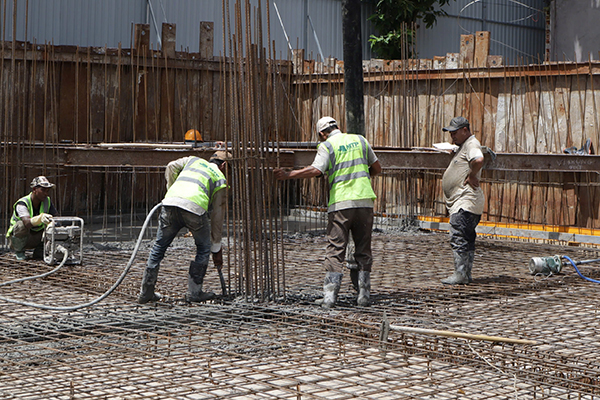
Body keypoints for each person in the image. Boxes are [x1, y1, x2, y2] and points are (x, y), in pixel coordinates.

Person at [274, 116, 382, 308]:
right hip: (365, 201)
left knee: (336, 249)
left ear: (322, 134)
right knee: (363, 248)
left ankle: (330, 297)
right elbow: (377, 168)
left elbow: (316, 170)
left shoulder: (327, 146)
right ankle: (364, 294)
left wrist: (288, 175)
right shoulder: (360, 140)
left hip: (341, 203)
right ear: (338, 127)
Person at [138, 150, 232, 304]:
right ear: (224, 165)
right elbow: (217, 217)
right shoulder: (220, 179)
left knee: (158, 247)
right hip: (194, 209)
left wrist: (172, 189)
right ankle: (194, 293)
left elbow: (170, 166)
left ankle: (146, 292)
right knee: (203, 248)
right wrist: (216, 247)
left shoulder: (193, 160)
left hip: (170, 203)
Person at [440, 116, 485, 285]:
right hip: (465, 202)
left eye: (455, 132)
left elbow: (478, 160)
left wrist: (472, 175)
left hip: (465, 201)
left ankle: (460, 274)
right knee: (467, 237)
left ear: (465, 130)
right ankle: (465, 274)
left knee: (458, 236)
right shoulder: (463, 146)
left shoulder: (472, 144)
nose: (452, 136)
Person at [6, 176, 58, 260]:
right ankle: (19, 251)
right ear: (34, 189)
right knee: (21, 225)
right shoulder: (22, 203)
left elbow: (56, 218)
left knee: (54, 227)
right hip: (20, 240)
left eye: (47, 191)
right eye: (43, 190)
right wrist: (40, 218)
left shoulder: (47, 201)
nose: (46, 193)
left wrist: (52, 224)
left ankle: (40, 251)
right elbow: (26, 223)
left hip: (37, 238)